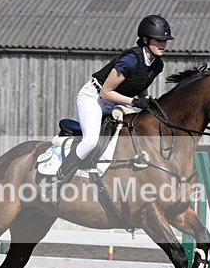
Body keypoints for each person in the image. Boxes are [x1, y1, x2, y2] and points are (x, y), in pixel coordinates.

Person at [45, 15, 173, 200]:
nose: (162, 45)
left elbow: (139, 83)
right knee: (91, 141)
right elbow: (106, 92)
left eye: (164, 41)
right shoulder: (130, 60)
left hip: (116, 102)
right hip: (94, 97)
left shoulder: (157, 64)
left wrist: (148, 101)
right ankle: (58, 181)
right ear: (145, 40)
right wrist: (135, 102)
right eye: (159, 40)